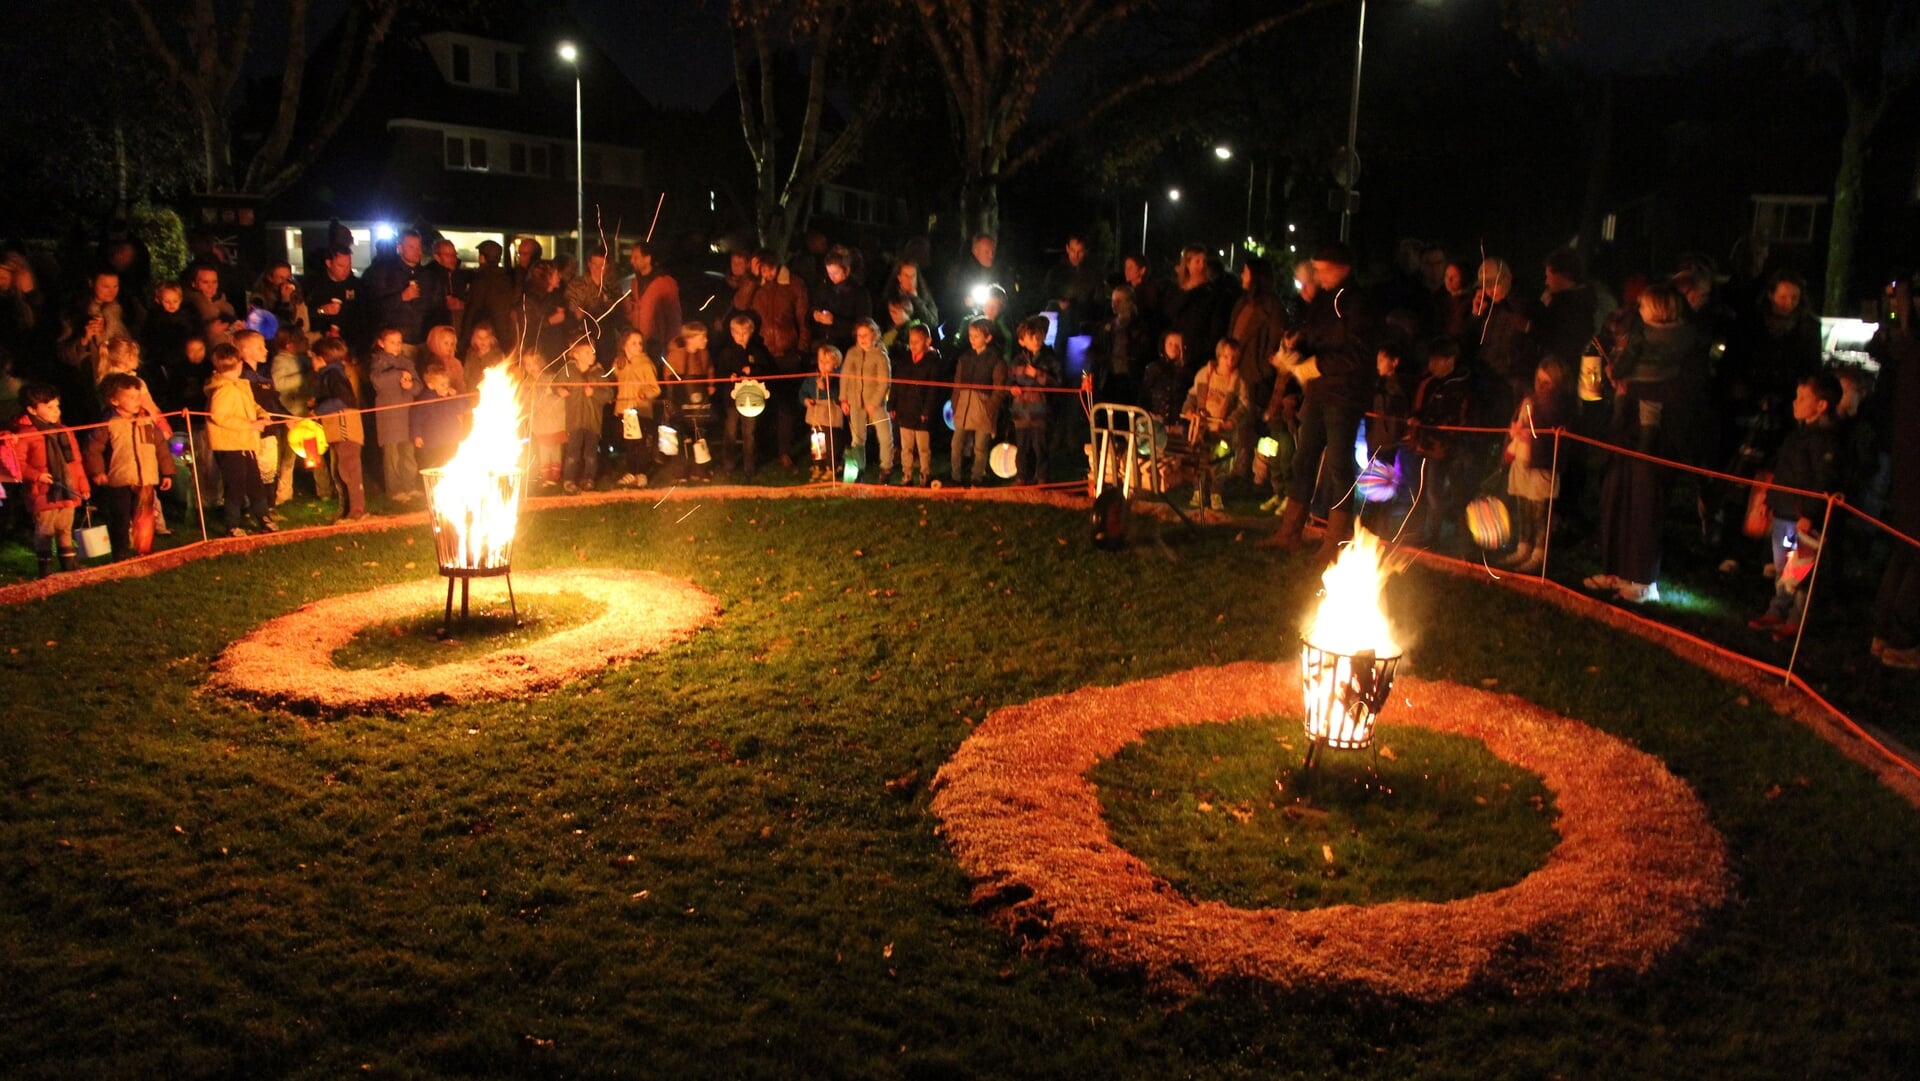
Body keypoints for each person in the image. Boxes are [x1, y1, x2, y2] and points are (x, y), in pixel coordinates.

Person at [1586, 284, 1707, 605]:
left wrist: (1635, 387)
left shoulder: (1687, 347)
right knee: (1616, 496)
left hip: (1657, 438)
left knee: (1644, 505)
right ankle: (1614, 568)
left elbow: (1685, 392)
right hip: (1625, 429)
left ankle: (1642, 578)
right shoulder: (1637, 337)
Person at [1264, 244, 1377, 557]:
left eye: (1323, 269)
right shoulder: (1324, 300)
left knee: (1340, 465)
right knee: (1304, 459)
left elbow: (1357, 353)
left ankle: (1335, 540)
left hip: (1344, 394)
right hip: (1317, 393)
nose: (1318, 276)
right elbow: (1316, 337)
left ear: (1342, 268)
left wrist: (1317, 365)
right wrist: (1295, 352)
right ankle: (1289, 531)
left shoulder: (1357, 303)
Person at [1747, 372, 1845, 639]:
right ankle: (1777, 610)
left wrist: (1811, 514)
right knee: (1784, 567)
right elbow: (1783, 470)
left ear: (1821, 405)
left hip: (1801, 517)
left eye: (1803, 398)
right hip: (1784, 511)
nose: (1795, 402)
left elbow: (1823, 480)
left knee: (1800, 569)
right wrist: (1770, 500)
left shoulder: (1826, 441)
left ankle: (1796, 619)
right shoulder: (1796, 435)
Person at [1871, 277, 1920, 669]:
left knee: (1904, 548)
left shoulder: (1904, 351)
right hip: (1913, 459)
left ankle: (1884, 630)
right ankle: (1902, 639)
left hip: (1905, 458)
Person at [84, 372, 176, 560]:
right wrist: (97, 471)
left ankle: (144, 550)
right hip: (120, 478)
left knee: (145, 516)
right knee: (121, 518)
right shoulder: (108, 423)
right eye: (131, 397)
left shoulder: (147, 420)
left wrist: (167, 472)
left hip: (146, 477)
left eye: (138, 396)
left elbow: (160, 447)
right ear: (115, 401)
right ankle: (120, 553)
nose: (137, 401)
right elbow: (93, 449)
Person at [1500, 356, 1573, 573]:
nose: (1541, 385)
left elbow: (1548, 436)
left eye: (1547, 382)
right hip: (1522, 461)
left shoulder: (1559, 407)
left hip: (1541, 465)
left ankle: (1539, 553)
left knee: (1541, 512)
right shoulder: (1528, 401)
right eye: (1539, 380)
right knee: (1524, 507)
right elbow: (1517, 427)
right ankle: (1523, 546)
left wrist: (1528, 435)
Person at [13, 382, 90, 575]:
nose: (56, 411)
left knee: (65, 527)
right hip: (43, 492)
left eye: (57, 405)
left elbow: (76, 461)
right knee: (45, 529)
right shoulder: (25, 435)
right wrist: (37, 475)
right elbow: (17, 464)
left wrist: (82, 484)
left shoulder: (64, 430)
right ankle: (45, 568)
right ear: (32, 409)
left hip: (67, 487)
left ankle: (69, 564)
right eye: (49, 407)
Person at [1404, 338, 1474, 547]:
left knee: (1446, 492)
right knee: (1425, 490)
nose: (1431, 364)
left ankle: (1449, 537)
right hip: (1428, 445)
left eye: (1437, 360)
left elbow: (1457, 418)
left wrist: (1438, 432)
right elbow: (1420, 407)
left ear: (1450, 360)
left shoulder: (1460, 386)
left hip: (1448, 447)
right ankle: (1425, 532)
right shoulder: (1430, 383)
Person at [205, 344, 276, 536]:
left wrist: (262, 414)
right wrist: (251, 425)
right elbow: (218, 416)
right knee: (235, 484)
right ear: (239, 364)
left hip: (245, 443)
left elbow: (251, 404)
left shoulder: (240, 385)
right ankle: (232, 524)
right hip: (230, 445)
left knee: (255, 481)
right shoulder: (222, 389)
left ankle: (263, 516)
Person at [1182, 338, 1251, 512]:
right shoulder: (1204, 374)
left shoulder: (1238, 382)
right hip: (1202, 427)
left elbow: (1244, 406)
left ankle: (1216, 493)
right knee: (1199, 460)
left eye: (1234, 358)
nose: (1230, 361)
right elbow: (1192, 395)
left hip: (1223, 431)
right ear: (1219, 356)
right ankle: (1198, 492)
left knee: (1219, 463)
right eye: (1226, 357)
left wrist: (1231, 421)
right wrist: (1189, 410)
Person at [308, 336, 367, 521]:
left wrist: (318, 410)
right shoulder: (329, 375)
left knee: (349, 471)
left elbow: (343, 400)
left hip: (345, 429)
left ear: (320, 358)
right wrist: (318, 402)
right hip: (337, 431)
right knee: (340, 471)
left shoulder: (333, 375)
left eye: (313, 357)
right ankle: (346, 509)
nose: (311, 361)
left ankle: (357, 511)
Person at [712, 313, 773, 478]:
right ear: (732, 333)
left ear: (751, 332)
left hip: (752, 400)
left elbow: (766, 371)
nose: (741, 336)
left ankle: (749, 465)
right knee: (730, 431)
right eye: (737, 333)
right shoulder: (727, 352)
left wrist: (751, 371)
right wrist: (729, 377)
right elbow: (720, 372)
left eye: (744, 333)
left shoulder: (757, 351)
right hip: (732, 400)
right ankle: (729, 463)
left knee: (749, 433)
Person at [363, 230, 444, 352]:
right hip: (396, 343)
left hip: (424, 342)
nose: (417, 251)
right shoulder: (384, 273)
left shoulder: (429, 276)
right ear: (400, 248)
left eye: (418, 247)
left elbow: (438, 307)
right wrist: (401, 297)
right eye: (411, 247)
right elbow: (373, 308)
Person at [949, 318, 1007, 486]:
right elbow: (957, 384)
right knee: (956, 444)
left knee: (980, 447)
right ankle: (955, 477)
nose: (972, 339)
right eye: (970, 335)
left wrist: (990, 407)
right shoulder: (965, 358)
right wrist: (955, 403)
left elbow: (998, 389)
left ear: (988, 338)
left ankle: (976, 478)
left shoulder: (996, 360)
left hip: (982, 408)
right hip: (963, 406)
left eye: (976, 336)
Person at [367, 325, 421, 502]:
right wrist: (397, 374)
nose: (397, 346)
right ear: (381, 343)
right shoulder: (379, 362)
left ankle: (410, 485)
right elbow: (377, 382)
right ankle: (395, 489)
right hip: (389, 413)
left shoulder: (407, 362)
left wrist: (410, 385)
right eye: (392, 342)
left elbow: (418, 385)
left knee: (408, 452)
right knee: (392, 454)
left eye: (399, 342)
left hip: (407, 412)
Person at [892, 322, 945, 487]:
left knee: (923, 448)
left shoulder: (933, 362)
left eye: (917, 341)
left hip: (922, 411)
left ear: (927, 341)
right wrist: (892, 405)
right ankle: (907, 475)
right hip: (905, 409)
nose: (913, 345)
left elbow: (932, 390)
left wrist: (927, 411)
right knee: (906, 447)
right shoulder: (905, 360)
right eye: (911, 341)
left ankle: (924, 475)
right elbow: (897, 383)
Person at [1008, 316, 1059, 485]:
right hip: (1021, 411)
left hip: (1041, 410)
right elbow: (1010, 379)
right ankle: (1022, 476)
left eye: (1038, 335)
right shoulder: (1017, 360)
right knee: (1022, 446)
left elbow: (1059, 382)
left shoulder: (1050, 359)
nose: (1036, 339)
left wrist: (1039, 374)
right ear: (1022, 341)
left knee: (1040, 446)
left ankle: (1042, 477)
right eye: (1031, 337)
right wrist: (1012, 387)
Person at [840, 318, 892, 482]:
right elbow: (845, 376)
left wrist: (874, 402)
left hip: (875, 402)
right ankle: (859, 468)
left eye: (866, 335)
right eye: (859, 335)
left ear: (875, 335)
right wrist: (843, 399)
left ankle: (886, 468)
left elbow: (884, 382)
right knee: (857, 437)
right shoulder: (851, 353)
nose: (862, 339)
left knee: (884, 436)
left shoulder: (880, 355)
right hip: (855, 401)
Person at [663, 322, 714, 481]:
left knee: (699, 434)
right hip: (679, 400)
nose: (706, 340)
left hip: (698, 400)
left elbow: (710, 369)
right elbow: (668, 379)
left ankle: (699, 470)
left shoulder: (704, 355)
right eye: (702, 337)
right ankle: (680, 472)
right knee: (680, 435)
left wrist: (711, 385)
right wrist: (673, 402)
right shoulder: (675, 356)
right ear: (690, 339)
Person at [1088, 285, 1153, 405]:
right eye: (1112, 301)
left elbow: (1143, 351)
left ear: (1129, 302)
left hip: (1130, 380)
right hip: (1109, 379)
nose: (1114, 304)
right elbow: (1097, 347)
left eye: (1119, 301)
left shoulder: (1140, 327)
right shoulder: (1108, 326)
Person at [612, 329, 660, 488]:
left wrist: (644, 394)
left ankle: (642, 473)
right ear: (624, 345)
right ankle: (632, 472)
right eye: (633, 343)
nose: (638, 346)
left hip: (641, 409)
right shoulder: (619, 364)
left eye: (640, 343)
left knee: (640, 443)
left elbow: (655, 388)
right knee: (630, 443)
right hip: (624, 408)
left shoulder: (646, 363)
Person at [409, 361, 471, 473]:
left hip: (451, 439)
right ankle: (432, 488)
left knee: (451, 464)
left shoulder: (450, 397)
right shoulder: (425, 399)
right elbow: (416, 418)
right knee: (433, 467)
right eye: (442, 384)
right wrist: (417, 435)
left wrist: (456, 396)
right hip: (433, 441)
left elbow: (464, 407)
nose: (446, 387)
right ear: (431, 385)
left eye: (447, 383)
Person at [1042, 235, 1106, 340]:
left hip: (1083, 325)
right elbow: (1045, 294)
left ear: (1086, 251)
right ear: (1067, 249)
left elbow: (1099, 303)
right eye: (1073, 250)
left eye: (1080, 251)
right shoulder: (1056, 272)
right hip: (1058, 323)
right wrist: (1058, 302)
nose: (1075, 255)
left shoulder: (1094, 275)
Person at [625, 241, 682, 355]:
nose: (631, 261)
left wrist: (672, 343)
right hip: (639, 343)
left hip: (657, 344)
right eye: (632, 257)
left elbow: (674, 317)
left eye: (636, 257)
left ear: (647, 259)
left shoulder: (665, 284)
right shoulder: (635, 283)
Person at [810, 252, 871, 354]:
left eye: (836, 273)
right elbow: (815, 305)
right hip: (825, 344)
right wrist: (815, 314)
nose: (832, 277)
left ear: (846, 271)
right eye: (829, 273)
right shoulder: (825, 288)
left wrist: (835, 321)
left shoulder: (860, 293)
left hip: (846, 346)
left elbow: (863, 324)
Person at [461, 240, 516, 350]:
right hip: (504, 334)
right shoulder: (506, 279)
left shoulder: (480, 279)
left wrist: (464, 340)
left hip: (483, 334)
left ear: (482, 257)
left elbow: (473, 309)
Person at [304, 247, 363, 349]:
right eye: (340, 266)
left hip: (350, 343)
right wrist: (322, 310)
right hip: (322, 343)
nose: (346, 270)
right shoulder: (314, 286)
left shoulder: (356, 285)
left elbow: (362, 314)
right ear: (329, 263)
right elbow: (305, 314)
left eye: (348, 265)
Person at [800, 345, 843, 482]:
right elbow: (803, 392)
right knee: (817, 443)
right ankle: (818, 466)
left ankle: (832, 467)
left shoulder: (837, 378)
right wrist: (805, 400)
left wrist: (826, 388)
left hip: (830, 414)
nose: (823, 365)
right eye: (821, 361)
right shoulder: (812, 378)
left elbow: (839, 395)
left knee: (831, 443)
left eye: (827, 362)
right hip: (816, 414)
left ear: (835, 363)